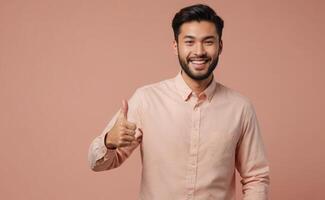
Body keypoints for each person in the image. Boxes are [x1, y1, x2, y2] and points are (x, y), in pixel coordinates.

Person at [88, 3, 270, 200]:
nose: (199, 51)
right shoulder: (146, 100)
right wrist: (109, 142)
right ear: (176, 47)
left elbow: (256, 178)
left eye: (208, 42)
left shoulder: (240, 108)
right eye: (189, 42)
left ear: (220, 46)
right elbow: (96, 164)